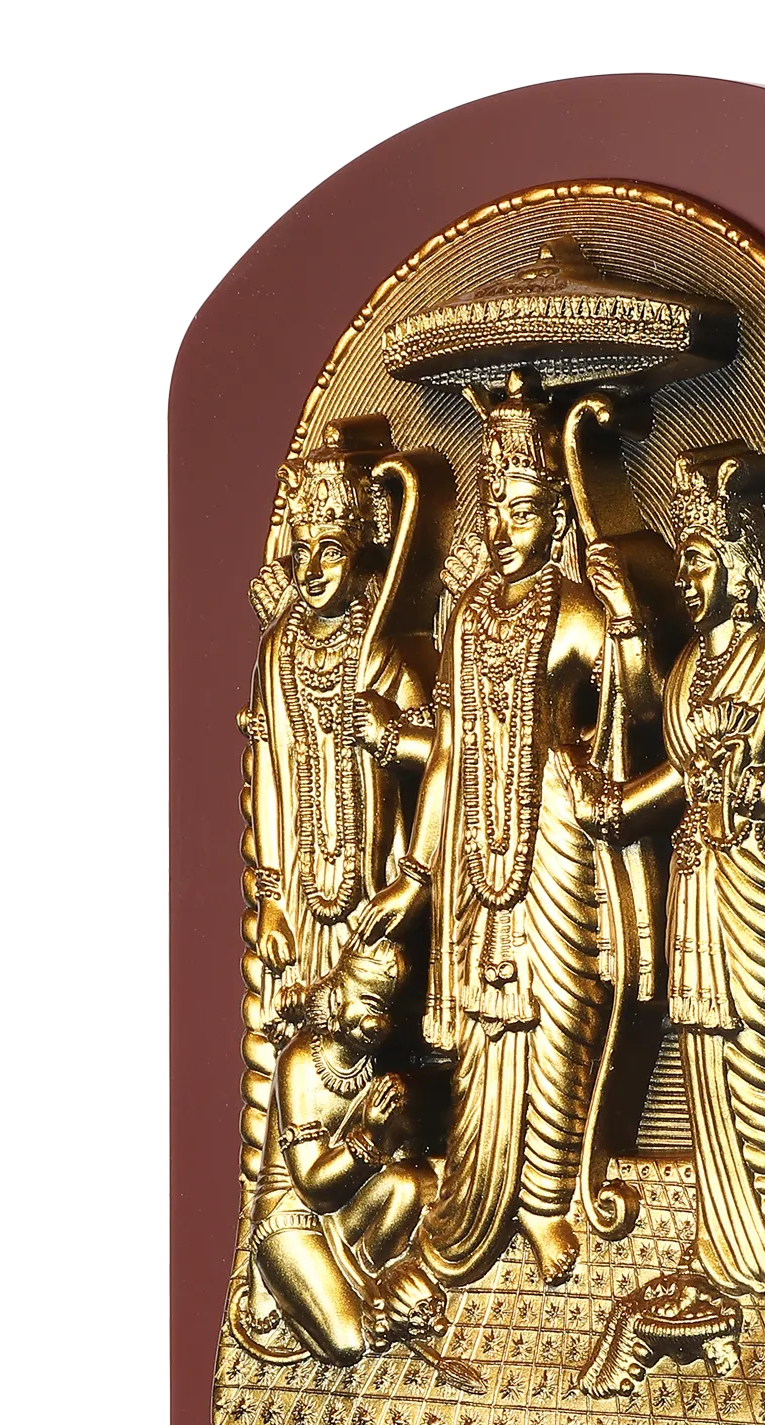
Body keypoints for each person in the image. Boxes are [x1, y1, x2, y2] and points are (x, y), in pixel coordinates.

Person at [360, 369, 653, 1313]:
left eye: (523, 510)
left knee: (562, 1014)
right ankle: (482, 1198)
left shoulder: (578, 609)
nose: (503, 528)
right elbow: (449, 748)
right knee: (489, 1033)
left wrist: (629, 627)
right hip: (475, 844)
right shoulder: (466, 614)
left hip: (557, 830)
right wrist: (415, 873)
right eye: (494, 509)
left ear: (553, 513)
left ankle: (548, 1198)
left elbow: (637, 715)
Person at [578, 447, 765, 1295]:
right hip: (695, 883)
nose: (684, 579)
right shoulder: (683, 673)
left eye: (699, 560)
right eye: (683, 562)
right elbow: (677, 773)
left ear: (741, 569)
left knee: (758, 1053)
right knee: (702, 1047)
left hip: (757, 885)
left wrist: (743, 783)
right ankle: (723, 1238)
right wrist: (618, 805)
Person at [225, 420, 436, 1357]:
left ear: (362, 555)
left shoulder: (382, 656)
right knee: (289, 1058)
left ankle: (345, 1250)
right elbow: (270, 775)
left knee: (371, 1055)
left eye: (333, 551)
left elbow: (442, 765)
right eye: (303, 551)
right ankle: (270, 1271)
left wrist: (391, 731)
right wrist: (271, 890)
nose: (313, 570)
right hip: (302, 901)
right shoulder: (279, 652)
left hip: (371, 900)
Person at [246, 936, 433, 1366]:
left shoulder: (374, 1068)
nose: (379, 1022)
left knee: (411, 1186)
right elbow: (312, 1185)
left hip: (341, 1219)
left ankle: (358, 1281)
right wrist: (369, 1133)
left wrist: (400, 1109)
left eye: (388, 1011)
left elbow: (402, 1154)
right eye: (370, 1004)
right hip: (290, 1216)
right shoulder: (299, 1063)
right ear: (335, 996)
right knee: (348, 1344)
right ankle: (279, 1279)